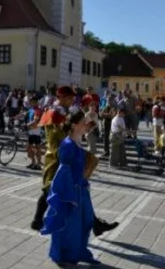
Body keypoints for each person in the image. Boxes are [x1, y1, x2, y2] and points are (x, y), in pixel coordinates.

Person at [32, 86, 118, 237]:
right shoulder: (53, 113)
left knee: (79, 192)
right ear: (62, 97)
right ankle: (38, 220)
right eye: (70, 98)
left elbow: (70, 132)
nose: (72, 101)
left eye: (73, 98)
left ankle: (96, 224)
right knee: (49, 191)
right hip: (57, 159)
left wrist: (84, 128)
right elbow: (56, 139)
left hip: (67, 156)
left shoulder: (64, 113)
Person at [41, 111, 100, 266]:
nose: (85, 125)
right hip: (71, 191)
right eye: (83, 122)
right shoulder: (67, 145)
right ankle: (64, 254)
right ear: (74, 125)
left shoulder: (77, 142)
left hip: (81, 189)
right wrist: (67, 194)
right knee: (69, 224)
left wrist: (84, 182)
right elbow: (63, 172)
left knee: (85, 221)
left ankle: (80, 251)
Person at [25, 96, 42, 169]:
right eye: (30, 102)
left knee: (37, 148)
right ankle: (33, 162)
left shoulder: (38, 110)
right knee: (28, 148)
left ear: (35, 102)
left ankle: (38, 164)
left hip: (36, 131)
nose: (30, 103)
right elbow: (24, 114)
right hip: (31, 130)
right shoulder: (31, 109)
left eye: (32, 102)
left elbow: (35, 120)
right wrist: (15, 117)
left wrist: (27, 125)